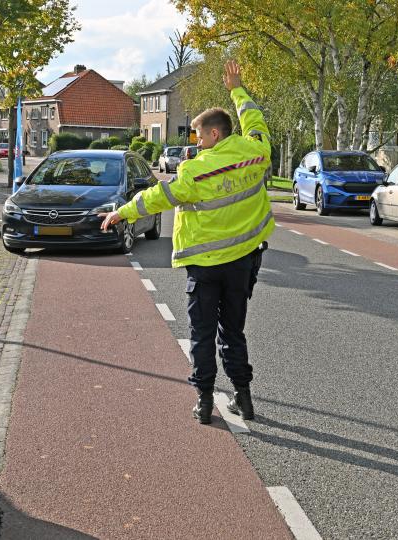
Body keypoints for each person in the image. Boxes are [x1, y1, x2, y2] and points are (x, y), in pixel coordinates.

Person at [100, 60, 274, 424]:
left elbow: (159, 196)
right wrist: (237, 88)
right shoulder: (257, 153)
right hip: (243, 261)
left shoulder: (195, 170)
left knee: (202, 334)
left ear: (213, 135)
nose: (194, 142)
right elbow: (255, 121)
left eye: (197, 135)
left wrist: (123, 213)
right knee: (234, 331)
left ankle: (205, 402)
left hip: (205, 266)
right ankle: (244, 397)